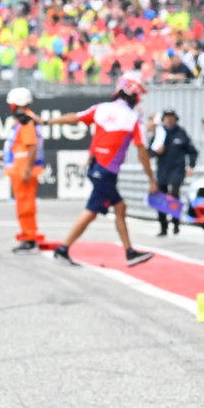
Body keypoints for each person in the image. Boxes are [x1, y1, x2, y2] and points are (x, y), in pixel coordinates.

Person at [37, 75, 158, 268]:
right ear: (133, 96)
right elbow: (142, 153)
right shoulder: (134, 119)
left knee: (119, 207)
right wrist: (151, 179)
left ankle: (129, 252)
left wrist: (47, 122)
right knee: (92, 211)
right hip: (106, 170)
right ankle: (64, 248)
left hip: (96, 166)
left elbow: (73, 118)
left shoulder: (101, 109)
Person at [0, 87, 45, 253]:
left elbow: (32, 146)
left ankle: (29, 239)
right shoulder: (25, 120)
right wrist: (1, 157)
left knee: (25, 206)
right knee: (23, 204)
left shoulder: (25, 121)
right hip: (21, 168)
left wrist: (27, 169)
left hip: (24, 170)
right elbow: (20, 146)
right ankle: (28, 236)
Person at [150, 108, 198, 237]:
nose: (169, 120)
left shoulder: (181, 133)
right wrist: (156, 151)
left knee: (174, 194)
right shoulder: (159, 134)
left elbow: (192, 151)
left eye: (172, 117)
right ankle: (163, 226)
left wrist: (191, 166)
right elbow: (148, 152)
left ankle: (176, 223)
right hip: (162, 171)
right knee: (161, 197)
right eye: (167, 117)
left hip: (177, 170)